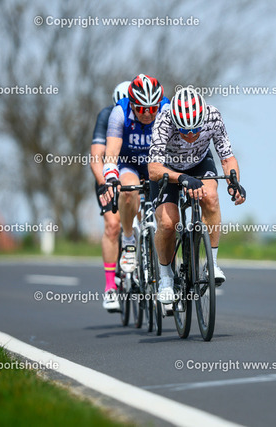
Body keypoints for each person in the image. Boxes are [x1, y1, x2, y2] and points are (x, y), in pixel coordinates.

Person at [148, 86, 246, 304]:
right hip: (168, 169)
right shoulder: (164, 120)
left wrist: (234, 183)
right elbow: (153, 169)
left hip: (199, 162)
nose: (191, 135)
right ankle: (166, 278)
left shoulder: (213, 116)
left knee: (211, 198)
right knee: (168, 223)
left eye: (196, 130)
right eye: (185, 131)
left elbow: (227, 158)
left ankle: (212, 264)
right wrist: (181, 178)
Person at [100, 74, 170, 276]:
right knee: (128, 192)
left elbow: (176, 147)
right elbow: (111, 153)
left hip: (156, 163)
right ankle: (129, 240)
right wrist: (111, 177)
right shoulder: (119, 112)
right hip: (129, 163)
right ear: (132, 104)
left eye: (152, 108)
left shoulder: (166, 109)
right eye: (141, 108)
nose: (147, 114)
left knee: (168, 218)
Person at [91, 81, 129, 311]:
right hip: (108, 175)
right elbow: (97, 157)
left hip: (135, 172)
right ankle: (110, 287)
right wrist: (104, 184)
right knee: (113, 225)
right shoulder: (107, 116)